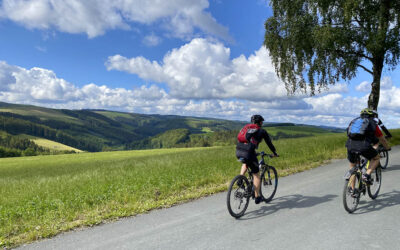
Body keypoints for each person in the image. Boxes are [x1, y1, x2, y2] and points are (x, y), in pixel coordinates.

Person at [236, 115, 279, 204]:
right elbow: (269, 143)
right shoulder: (262, 131)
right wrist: (274, 153)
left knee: (246, 162)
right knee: (256, 174)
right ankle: (257, 197)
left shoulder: (247, 128)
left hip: (239, 150)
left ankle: (240, 179)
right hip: (249, 151)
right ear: (260, 122)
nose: (262, 123)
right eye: (262, 122)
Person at [346, 108, 391, 184]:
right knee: (376, 158)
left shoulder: (354, 122)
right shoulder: (372, 123)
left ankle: (352, 190)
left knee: (353, 168)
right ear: (372, 116)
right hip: (364, 147)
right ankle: (366, 175)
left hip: (350, 146)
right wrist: (387, 148)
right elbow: (382, 139)